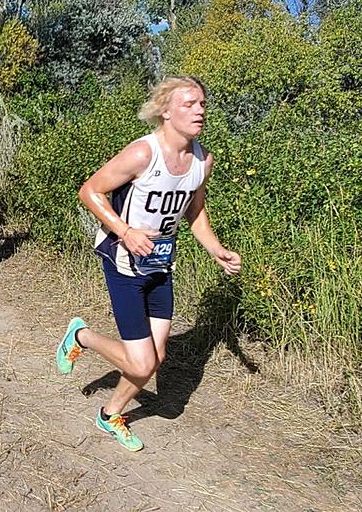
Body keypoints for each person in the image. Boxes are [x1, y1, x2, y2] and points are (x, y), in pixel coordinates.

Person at [55, 76, 242, 452]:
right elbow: (89, 191)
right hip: (123, 261)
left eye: (202, 103)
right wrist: (124, 230)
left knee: (154, 359)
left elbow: (196, 211)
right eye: (189, 103)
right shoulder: (143, 153)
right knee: (142, 365)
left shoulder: (202, 160)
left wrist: (217, 250)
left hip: (160, 264)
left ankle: (110, 415)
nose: (200, 110)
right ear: (166, 111)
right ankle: (81, 336)